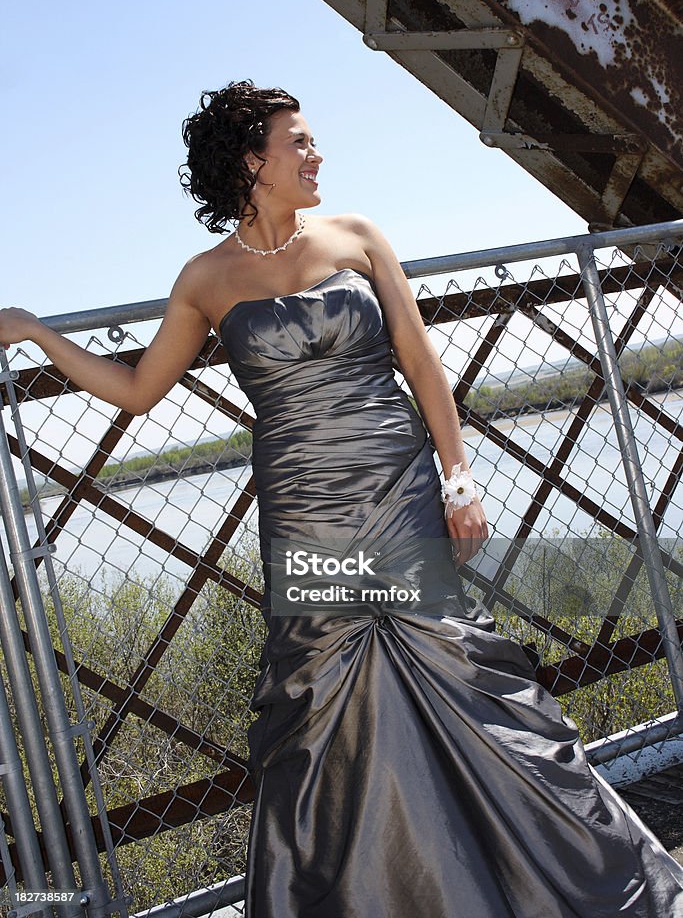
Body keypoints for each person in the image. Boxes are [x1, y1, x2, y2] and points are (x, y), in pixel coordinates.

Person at [2, 79, 683, 917]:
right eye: (299, 141)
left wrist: (458, 476)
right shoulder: (204, 279)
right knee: (324, 699)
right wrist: (36, 331)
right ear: (254, 161)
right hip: (305, 508)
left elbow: (419, 359)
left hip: (394, 488)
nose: (316, 153)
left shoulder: (357, 235)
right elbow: (139, 390)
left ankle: (573, 872)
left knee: (455, 669)